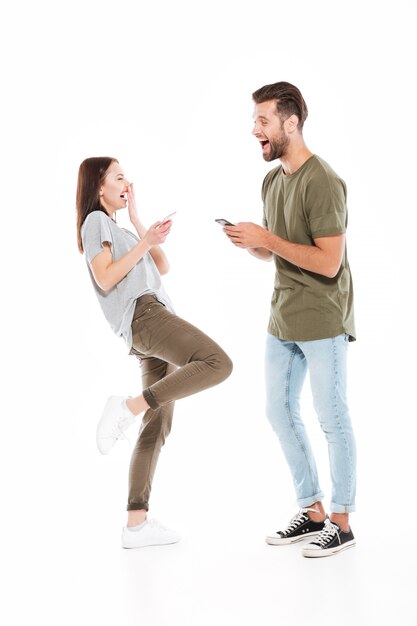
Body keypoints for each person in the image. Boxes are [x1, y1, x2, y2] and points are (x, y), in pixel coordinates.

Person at [223, 82, 356, 558]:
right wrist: (251, 242)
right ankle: (313, 510)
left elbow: (328, 263)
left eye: (263, 120)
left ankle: (341, 521)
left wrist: (269, 240)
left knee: (332, 417)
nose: (254, 129)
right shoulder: (272, 180)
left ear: (291, 123)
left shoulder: (323, 180)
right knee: (278, 411)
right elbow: (279, 255)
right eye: (255, 120)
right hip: (282, 319)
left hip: (323, 319)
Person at [76, 157, 233, 549]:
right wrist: (143, 241)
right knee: (217, 363)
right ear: (99, 187)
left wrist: (139, 221)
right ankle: (126, 407)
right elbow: (106, 277)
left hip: (153, 318)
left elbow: (162, 264)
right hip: (143, 316)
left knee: (158, 424)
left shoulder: (121, 228)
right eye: (118, 176)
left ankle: (136, 524)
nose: (126, 180)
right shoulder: (96, 222)